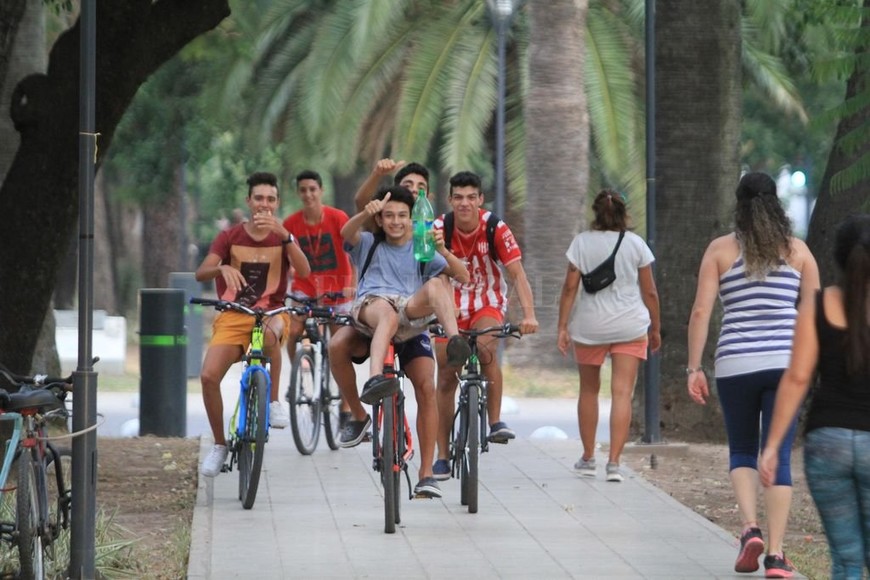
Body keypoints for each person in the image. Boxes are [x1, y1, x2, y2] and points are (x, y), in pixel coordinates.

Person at [686, 172, 819, 577]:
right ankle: (776, 556)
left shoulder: (720, 250)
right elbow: (813, 315)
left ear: (739, 205)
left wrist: (694, 367)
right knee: (775, 454)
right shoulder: (798, 252)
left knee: (742, 448)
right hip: (784, 365)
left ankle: (749, 530)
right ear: (776, 204)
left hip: (735, 364)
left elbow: (701, 312)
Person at [339, 184, 470, 498]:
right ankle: (373, 381)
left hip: (411, 314)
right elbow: (347, 232)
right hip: (374, 306)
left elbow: (462, 275)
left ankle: (426, 475)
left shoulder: (421, 246)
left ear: (413, 219)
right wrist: (363, 214)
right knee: (387, 314)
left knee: (438, 287)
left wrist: (442, 250)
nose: (396, 221)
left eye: (403, 216)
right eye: (389, 216)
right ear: (381, 220)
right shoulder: (368, 242)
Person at [759, 215, 870, 579]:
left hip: (826, 443)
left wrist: (773, 445)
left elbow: (798, 377)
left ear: (837, 257)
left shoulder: (817, 305)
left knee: (846, 559)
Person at [195, 172, 311, 477]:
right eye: (258, 198)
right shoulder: (230, 236)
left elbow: (304, 269)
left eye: (270, 199)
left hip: (271, 313)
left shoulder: (283, 237)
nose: (264, 205)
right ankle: (220, 444)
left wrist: (286, 236)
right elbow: (201, 272)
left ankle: (273, 402)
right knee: (208, 376)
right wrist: (221, 268)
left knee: (271, 337)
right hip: (234, 314)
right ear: (249, 201)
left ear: (277, 203)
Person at [429, 171, 539, 479]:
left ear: (480, 200)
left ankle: (494, 423)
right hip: (448, 308)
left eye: (471, 197)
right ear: (450, 200)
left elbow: (517, 274)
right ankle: (442, 455)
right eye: (458, 197)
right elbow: (421, 270)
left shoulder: (495, 228)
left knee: (488, 348)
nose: (464, 203)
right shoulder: (438, 228)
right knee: (447, 377)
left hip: (486, 304)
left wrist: (529, 315)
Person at [556, 189, 660, 484]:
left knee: (589, 391)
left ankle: (588, 458)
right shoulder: (636, 244)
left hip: (590, 329)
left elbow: (569, 288)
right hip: (630, 327)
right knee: (622, 393)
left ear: (595, 213)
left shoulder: (581, 243)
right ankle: (614, 463)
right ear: (624, 214)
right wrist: (655, 327)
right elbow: (649, 291)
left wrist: (563, 326)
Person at [281, 170, 355, 423]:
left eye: (313, 189)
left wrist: (352, 286)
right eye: (303, 190)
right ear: (298, 193)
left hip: (338, 287)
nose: (308, 194)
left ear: (321, 191)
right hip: (305, 289)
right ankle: (297, 378)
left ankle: (346, 407)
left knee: (340, 346)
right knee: (293, 332)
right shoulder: (290, 224)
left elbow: (355, 252)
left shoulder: (337, 218)